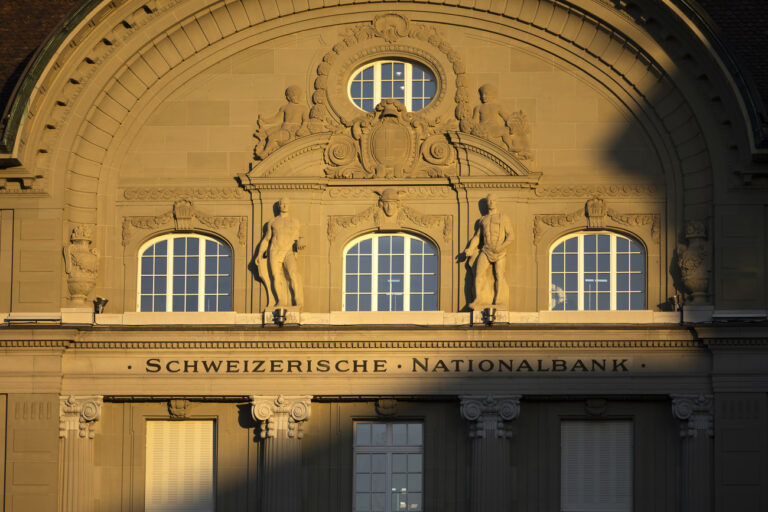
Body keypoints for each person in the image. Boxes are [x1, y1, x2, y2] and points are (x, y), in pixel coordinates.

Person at [461, 193, 514, 309]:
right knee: (478, 274)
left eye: (493, 201)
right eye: (489, 201)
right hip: (486, 250)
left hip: (500, 251)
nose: (491, 203)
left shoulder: (503, 217)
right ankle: (478, 299)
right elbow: (477, 237)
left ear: (496, 202)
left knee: (499, 275)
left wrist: (501, 247)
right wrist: (470, 248)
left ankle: (499, 301)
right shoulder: (482, 220)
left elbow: (511, 236)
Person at [255, 198, 305, 307]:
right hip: (275, 251)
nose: (284, 206)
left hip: (288, 250)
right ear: (279, 206)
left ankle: (297, 299)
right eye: (282, 204)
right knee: (275, 276)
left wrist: (301, 241)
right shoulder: (272, 222)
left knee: (293, 273)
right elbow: (267, 239)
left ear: (289, 205)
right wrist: (259, 253)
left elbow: (298, 236)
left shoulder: (294, 221)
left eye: (287, 204)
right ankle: (280, 300)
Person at [254, 86, 310, 159]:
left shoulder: (303, 108)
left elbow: (305, 120)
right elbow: (276, 119)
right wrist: (264, 120)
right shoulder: (285, 107)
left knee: (273, 136)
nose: (296, 97)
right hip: (284, 129)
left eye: (297, 95)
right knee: (271, 136)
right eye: (293, 95)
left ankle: (265, 151)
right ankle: (265, 152)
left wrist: (302, 128)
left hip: (294, 130)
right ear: (288, 97)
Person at [471, 83, 513, 151]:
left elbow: (505, 117)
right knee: (504, 131)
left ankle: (510, 147)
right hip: (484, 129)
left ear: (492, 95)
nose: (483, 96)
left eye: (486, 94)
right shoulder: (478, 107)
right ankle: (509, 146)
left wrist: (510, 123)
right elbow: (474, 121)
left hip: (493, 128)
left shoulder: (496, 107)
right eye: (482, 94)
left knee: (505, 131)